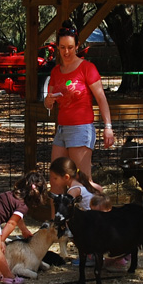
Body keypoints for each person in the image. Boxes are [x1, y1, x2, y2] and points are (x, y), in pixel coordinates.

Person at [43, 24, 114, 190]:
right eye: (62, 47)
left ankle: (96, 210)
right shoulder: (55, 71)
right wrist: (48, 101)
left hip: (81, 129)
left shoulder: (87, 68)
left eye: (70, 47)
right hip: (62, 129)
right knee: (56, 179)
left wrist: (108, 126)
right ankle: (57, 217)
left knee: (82, 182)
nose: (66, 52)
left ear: (77, 46)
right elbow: (49, 101)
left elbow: (101, 98)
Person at [0, 172, 53, 284]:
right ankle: (9, 276)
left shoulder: (12, 195)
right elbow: (12, 223)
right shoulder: (23, 205)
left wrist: (24, 230)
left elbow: (17, 218)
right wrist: (2, 239)